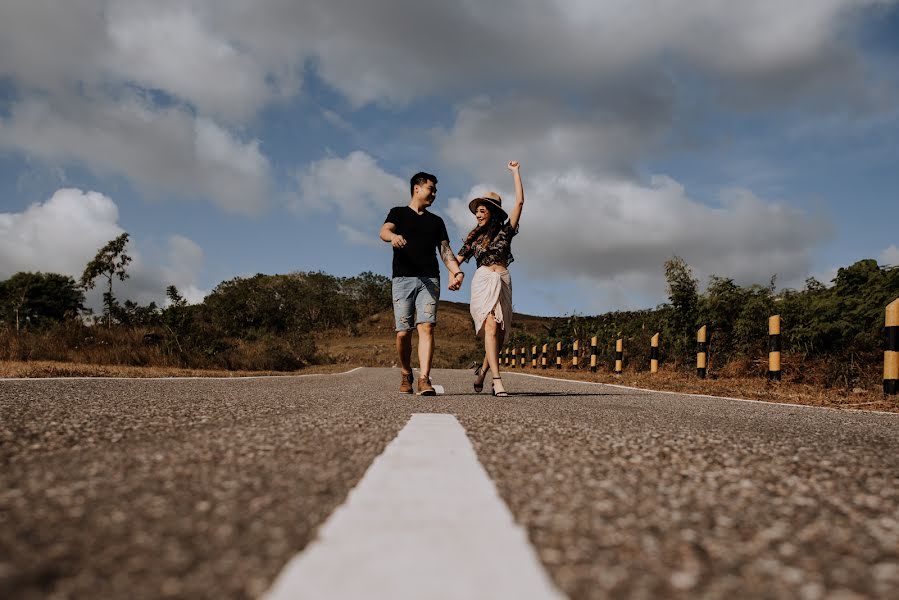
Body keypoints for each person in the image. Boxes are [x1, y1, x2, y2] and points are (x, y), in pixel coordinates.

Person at [380, 171, 465, 395]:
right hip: (403, 279)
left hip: (430, 279)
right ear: (417, 188)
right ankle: (406, 373)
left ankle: (424, 379)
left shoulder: (436, 222)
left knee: (426, 327)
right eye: (431, 189)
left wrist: (456, 272)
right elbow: (384, 230)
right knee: (403, 333)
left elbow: (445, 250)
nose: (434, 194)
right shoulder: (398, 213)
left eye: (435, 190)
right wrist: (393, 237)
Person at [456, 161, 524, 397]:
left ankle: (483, 372)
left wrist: (516, 173)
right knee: (491, 328)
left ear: (492, 212)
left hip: (503, 279)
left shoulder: (506, 231)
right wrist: (456, 275)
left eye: (482, 210)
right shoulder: (473, 238)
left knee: (501, 335)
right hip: (484, 279)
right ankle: (497, 380)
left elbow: (520, 202)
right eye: (477, 211)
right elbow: (457, 259)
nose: (478, 214)